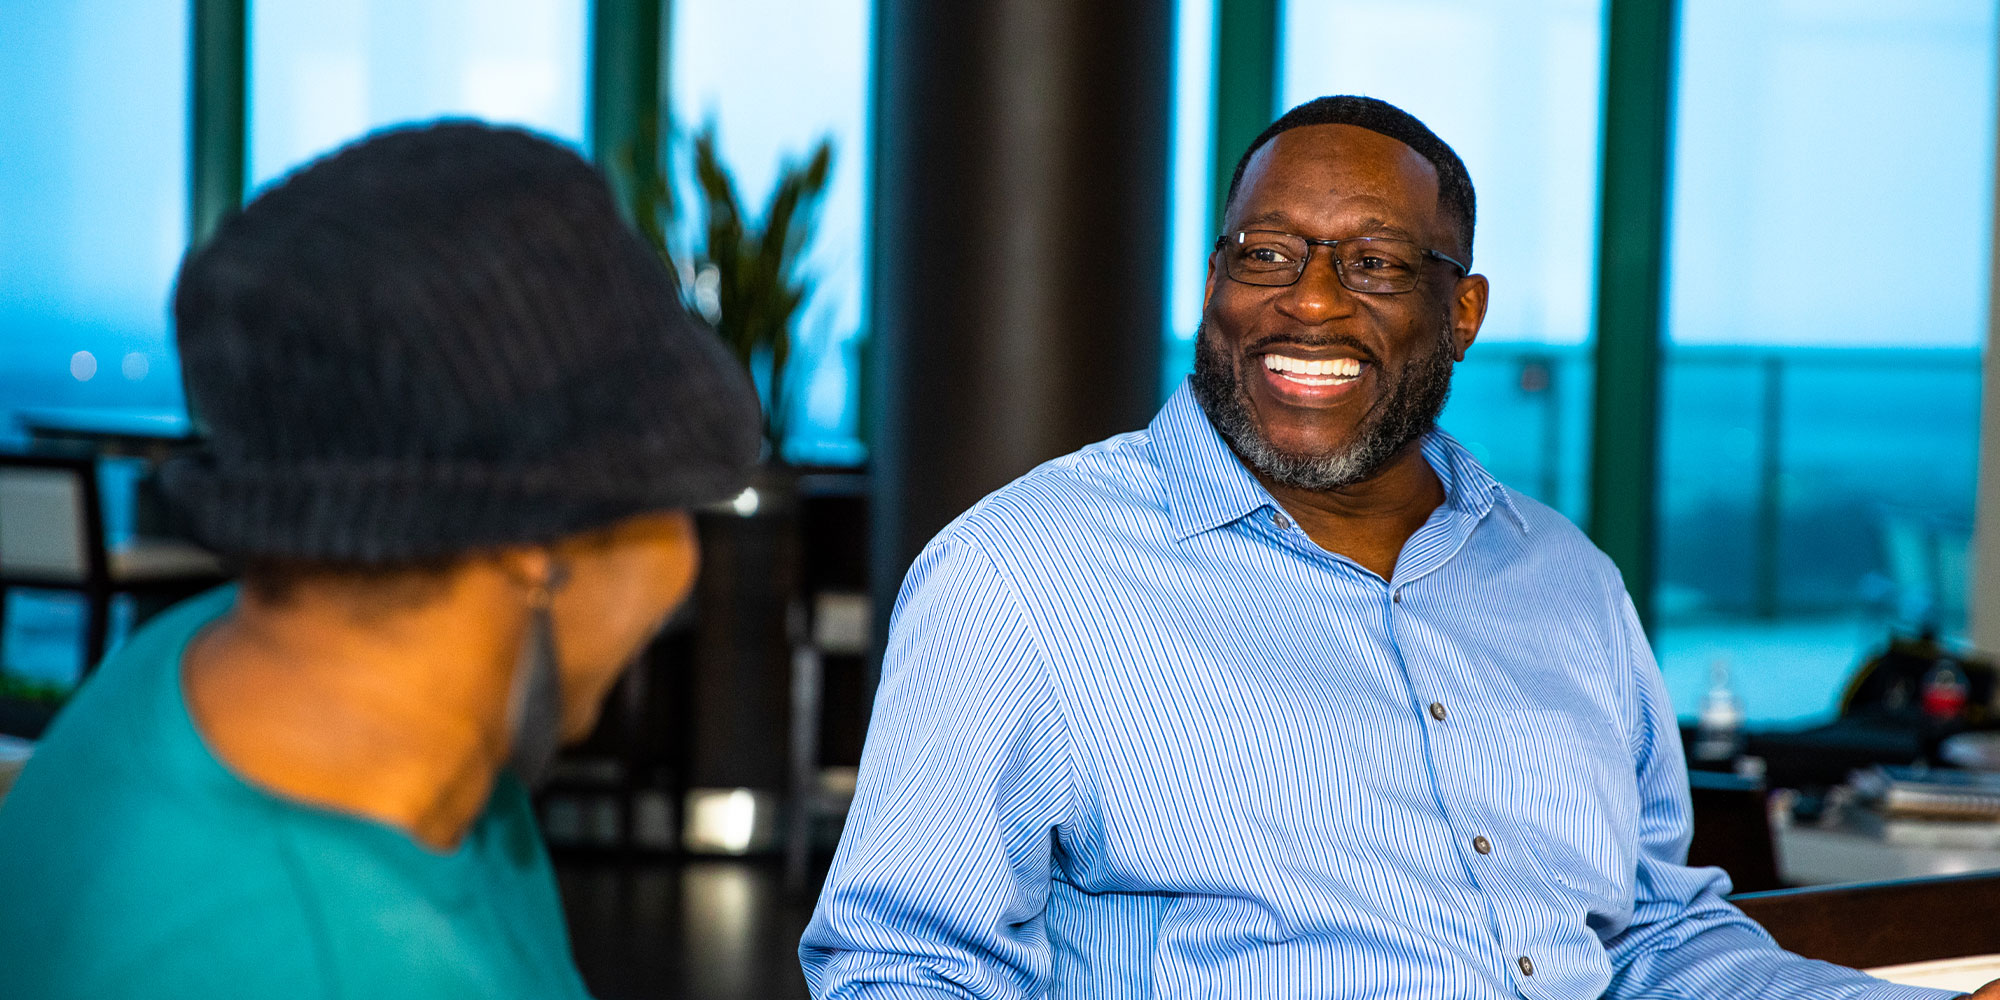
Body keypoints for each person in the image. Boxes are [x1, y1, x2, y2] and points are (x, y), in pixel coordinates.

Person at [800, 96, 1997, 999]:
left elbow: (1649, 942)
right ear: (1214, 280)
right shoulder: (1020, 576)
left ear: (1460, 314)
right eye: (1263, 254)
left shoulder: (1567, 584)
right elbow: (900, 964)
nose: (1307, 301)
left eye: (1371, 263)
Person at [0, 122, 761, 998]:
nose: (681, 567)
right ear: (531, 545)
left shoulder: (187, 668)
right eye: (669, 497)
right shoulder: (347, 961)